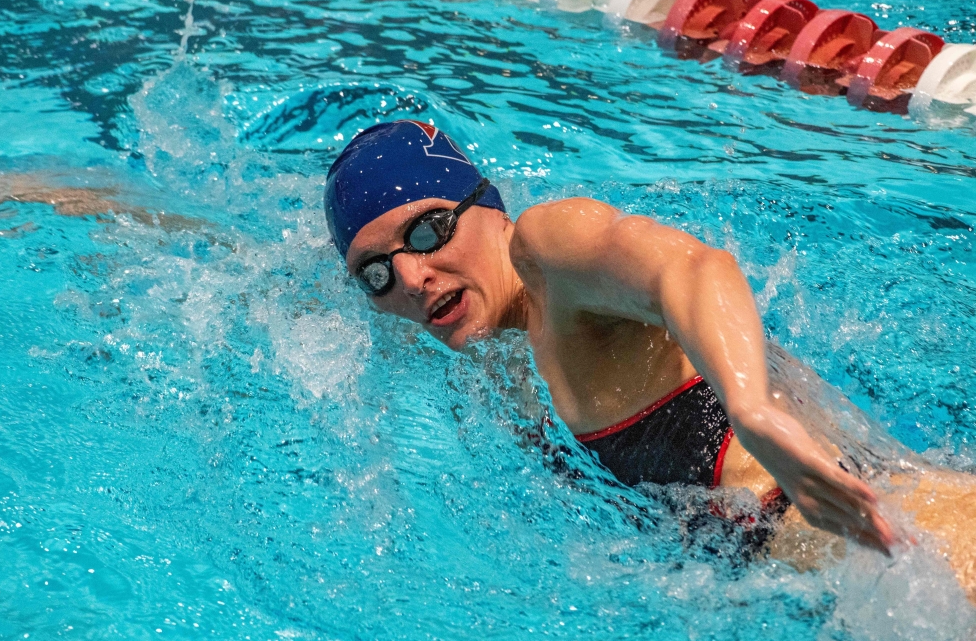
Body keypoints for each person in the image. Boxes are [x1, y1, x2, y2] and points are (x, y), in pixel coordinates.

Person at [325, 119, 896, 553]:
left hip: (861, 517)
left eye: (428, 231)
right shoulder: (489, 356)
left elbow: (692, 268)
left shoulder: (548, 249)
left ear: (490, 206)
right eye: (376, 273)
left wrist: (751, 411)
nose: (411, 279)